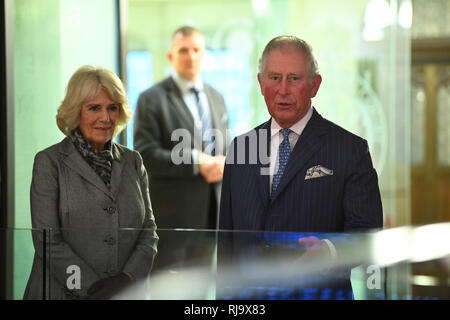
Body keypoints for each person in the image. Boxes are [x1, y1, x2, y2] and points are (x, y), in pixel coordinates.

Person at [217, 36, 383, 299]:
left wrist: (329, 251)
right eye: (274, 78)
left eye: (294, 78)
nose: (283, 90)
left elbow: (368, 233)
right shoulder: (240, 148)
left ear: (315, 85)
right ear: (261, 84)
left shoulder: (350, 150)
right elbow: (226, 244)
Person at [23, 65, 159, 300]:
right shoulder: (49, 162)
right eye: (94, 108)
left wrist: (127, 279)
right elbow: (48, 243)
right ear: (76, 112)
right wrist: (94, 290)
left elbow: (149, 231)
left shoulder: (133, 161)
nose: (105, 118)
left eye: (112, 108)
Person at [134, 25, 228, 231]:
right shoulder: (150, 99)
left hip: (214, 216)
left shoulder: (217, 97)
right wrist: (196, 161)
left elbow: (224, 147)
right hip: (172, 219)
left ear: (204, 55)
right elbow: (146, 155)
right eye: (183, 50)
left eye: (196, 50)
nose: (191, 56)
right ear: (171, 56)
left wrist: (225, 164)